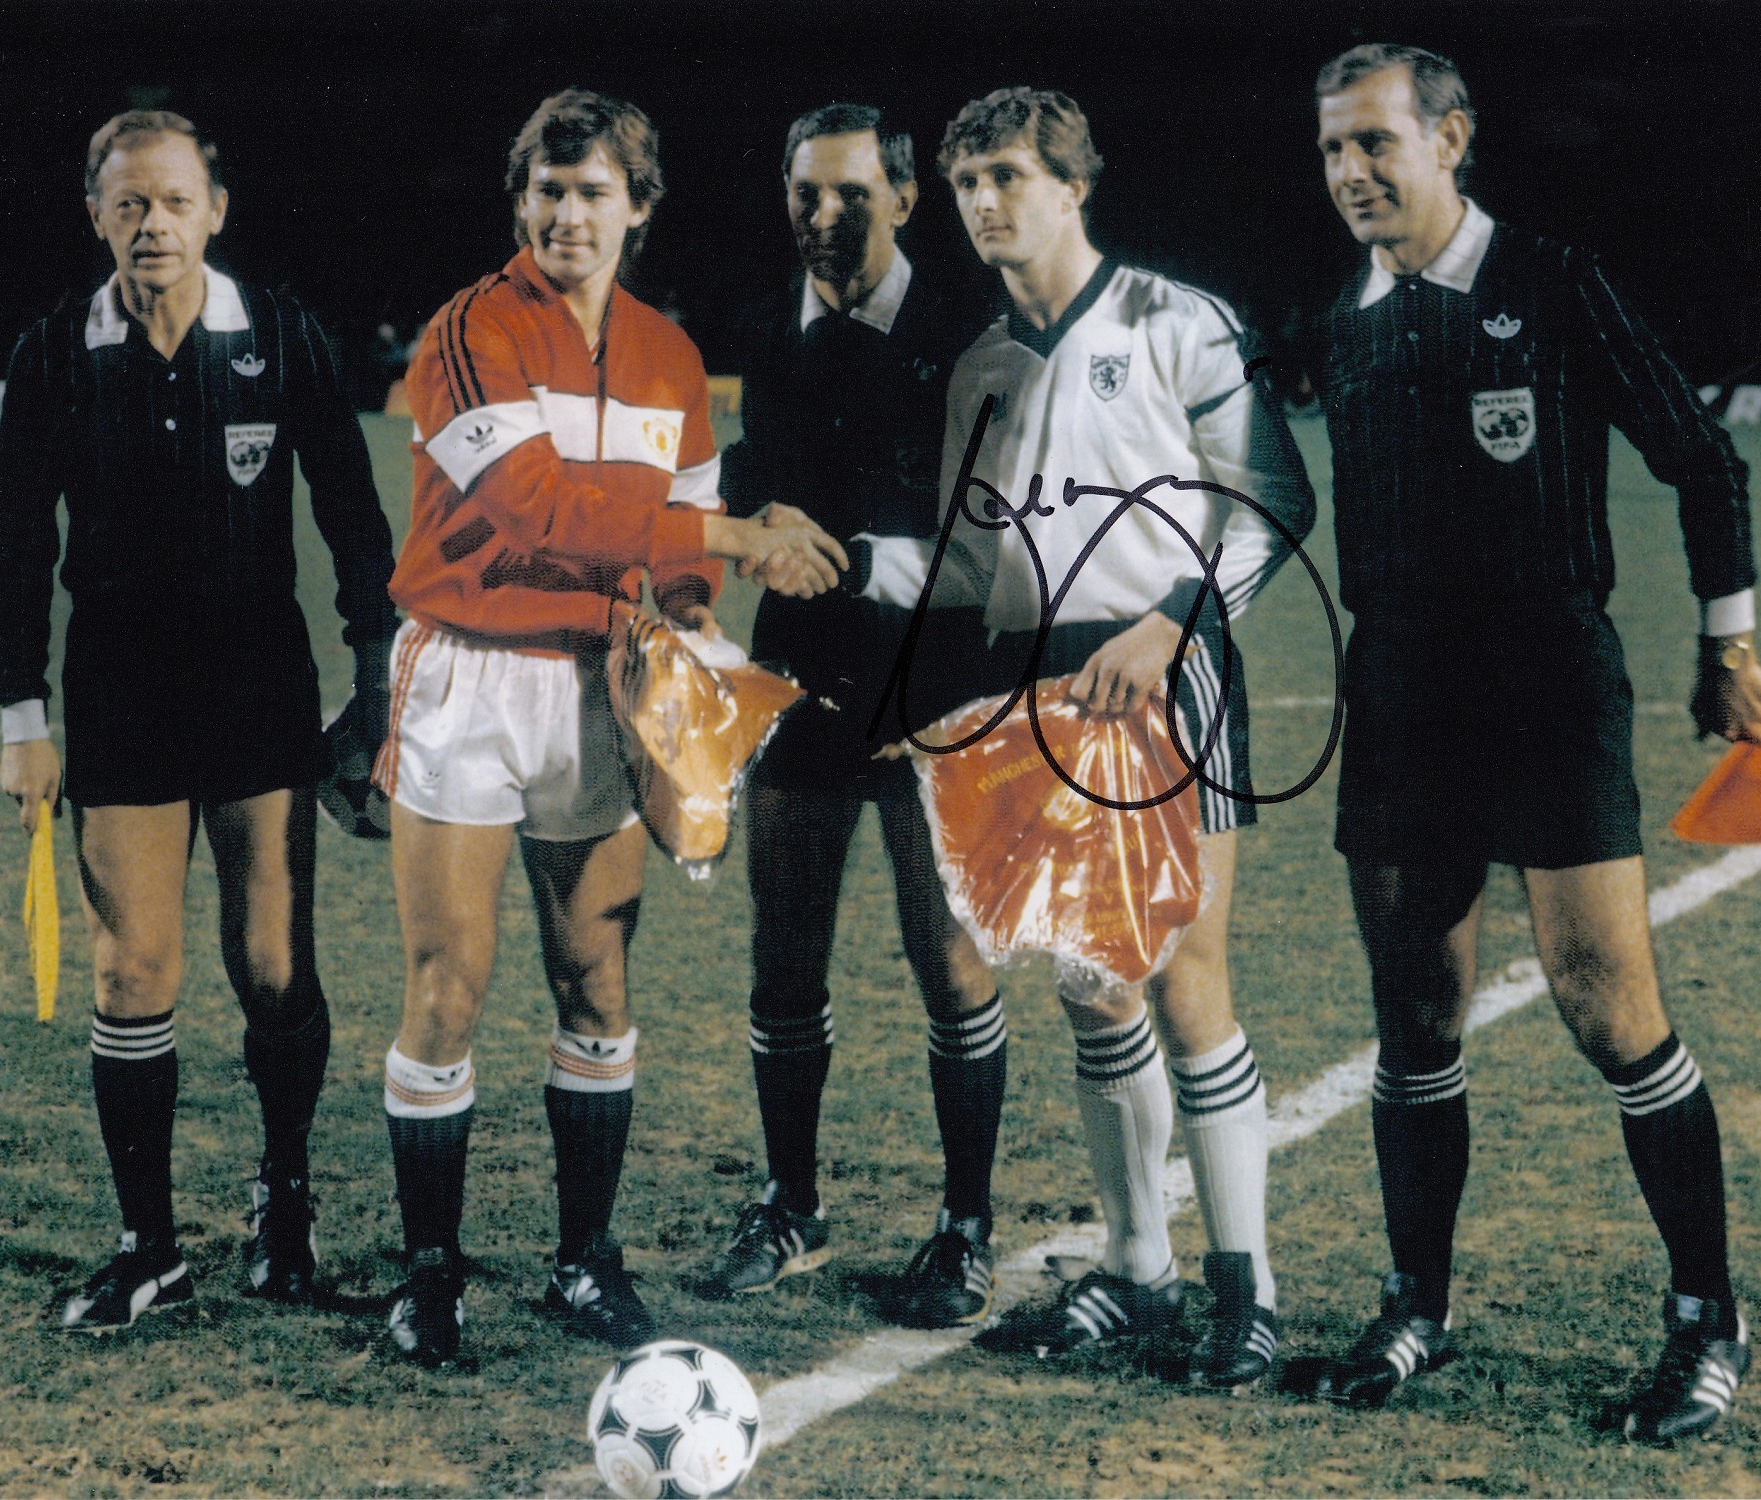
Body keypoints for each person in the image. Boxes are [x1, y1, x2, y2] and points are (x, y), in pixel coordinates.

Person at [1310, 44, 1761, 1442]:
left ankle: (1705, 1315)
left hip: (1545, 678)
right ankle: (1416, 1306)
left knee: (1603, 1004)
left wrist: (1727, 643)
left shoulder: (1554, 285)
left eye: (1376, 143)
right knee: (1414, 1018)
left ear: (1450, 139)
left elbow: (1705, 461)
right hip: (1396, 690)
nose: (1350, 172)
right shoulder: (1341, 317)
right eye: (1331, 149)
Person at [372, 87, 847, 1369]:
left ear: (638, 205)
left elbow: (676, 550)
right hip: (470, 677)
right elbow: (533, 508)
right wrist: (738, 538)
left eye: (592, 192)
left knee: (597, 979)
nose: (566, 214)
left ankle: (585, 1264)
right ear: (519, 201)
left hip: (600, 678)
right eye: (546, 190)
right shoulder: (470, 328)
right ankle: (431, 1279)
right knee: (448, 984)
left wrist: (690, 642)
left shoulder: (670, 357)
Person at [864, 87, 1316, 1386]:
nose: (986, 203)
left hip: (1169, 676)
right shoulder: (981, 370)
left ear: (1073, 184)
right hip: (1038, 699)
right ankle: (1136, 1275)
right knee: (1087, 990)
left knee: (1181, 982)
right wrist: (836, 565)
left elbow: (1273, 502)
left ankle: (1249, 1296)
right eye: (965, 185)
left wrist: (1174, 626)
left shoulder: (1176, 322)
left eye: (1009, 175)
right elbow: (962, 570)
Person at [0, 110, 400, 1330]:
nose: (152, 224)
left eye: (173, 201)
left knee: (273, 968)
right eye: (128, 204)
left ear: (216, 209)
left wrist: (373, 694)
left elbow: (357, 528)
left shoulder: (282, 337)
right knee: (133, 970)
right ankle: (149, 1244)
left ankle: (285, 1210)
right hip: (117, 694)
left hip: (256, 685)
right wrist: (23, 713)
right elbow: (17, 548)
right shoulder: (57, 352)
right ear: (97, 215)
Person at [690, 102, 1009, 1327]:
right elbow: (759, 475)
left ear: (908, 196)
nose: (826, 218)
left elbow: (998, 542)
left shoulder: (973, 324)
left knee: (951, 960)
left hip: (941, 683)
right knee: (785, 954)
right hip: (800, 679)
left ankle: (965, 1229)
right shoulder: (772, 320)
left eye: (853, 195)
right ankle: (791, 1206)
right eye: (805, 195)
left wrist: (859, 560)